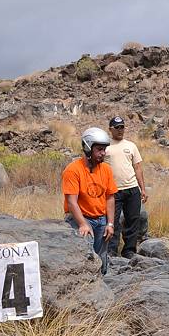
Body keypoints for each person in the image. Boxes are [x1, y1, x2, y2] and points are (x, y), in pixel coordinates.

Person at [62, 127, 117, 274]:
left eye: (104, 149)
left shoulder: (106, 169)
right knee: (84, 260)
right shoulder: (73, 170)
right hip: (81, 219)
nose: (103, 153)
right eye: (99, 149)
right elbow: (72, 201)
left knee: (101, 261)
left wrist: (110, 223)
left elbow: (110, 197)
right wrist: (82, 224)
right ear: (88, 148)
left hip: (101, 220)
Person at [104, 116, 147, 259]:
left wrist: (143, 189)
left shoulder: (131, 146)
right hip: (113, 191)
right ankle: (111, 250)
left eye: (122, 127)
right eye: (117, 127)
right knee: (113, 221)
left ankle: (129, 250)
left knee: (133, 220)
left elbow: (138, 168)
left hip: (132, 188)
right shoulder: (105, 146)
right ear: (110, 129)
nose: (120, 130)